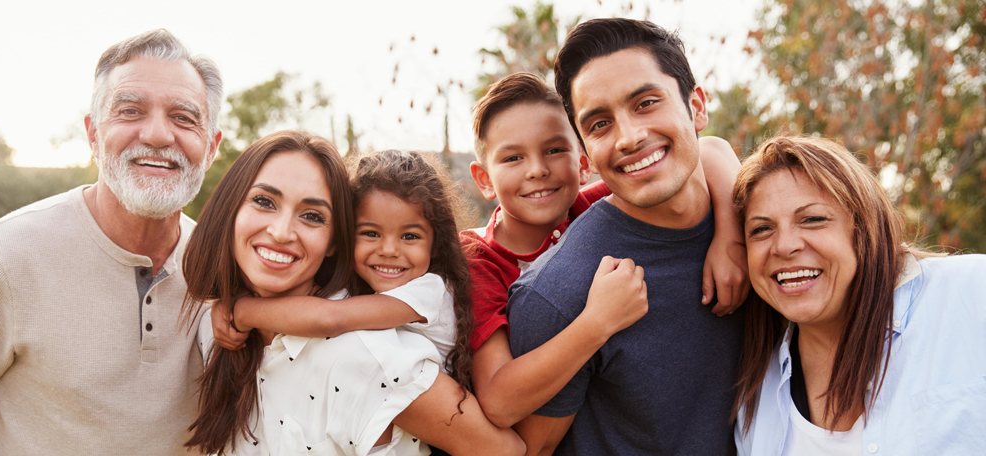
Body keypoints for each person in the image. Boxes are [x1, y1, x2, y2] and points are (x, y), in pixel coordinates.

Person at [183, 132, 524, 456]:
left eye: (312, 216)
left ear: (335, 240)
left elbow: (503, 450)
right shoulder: (208, 329)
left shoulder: (365, 354)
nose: (282, 231)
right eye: (263, 201)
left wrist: (241, 310)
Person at [505, 18, 748, 455]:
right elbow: (532, 449)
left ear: (696, 107)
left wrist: (733, 235)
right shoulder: (561, 294)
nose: (629, 137)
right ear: (588, 157)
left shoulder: (763, 228)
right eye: (599, 124)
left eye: (646, 103)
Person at [0, 29, 222, 455]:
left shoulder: (225, 270)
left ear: (211, 149)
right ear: (93, 135)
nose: (157, 135)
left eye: (184, 118)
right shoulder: (5, 257)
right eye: (130, 111)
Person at [732, 136, 986, 455]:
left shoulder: (972, 294)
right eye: (761, 229)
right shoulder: (755, 402)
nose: (784, 246)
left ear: (863, 228)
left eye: (812, 219)